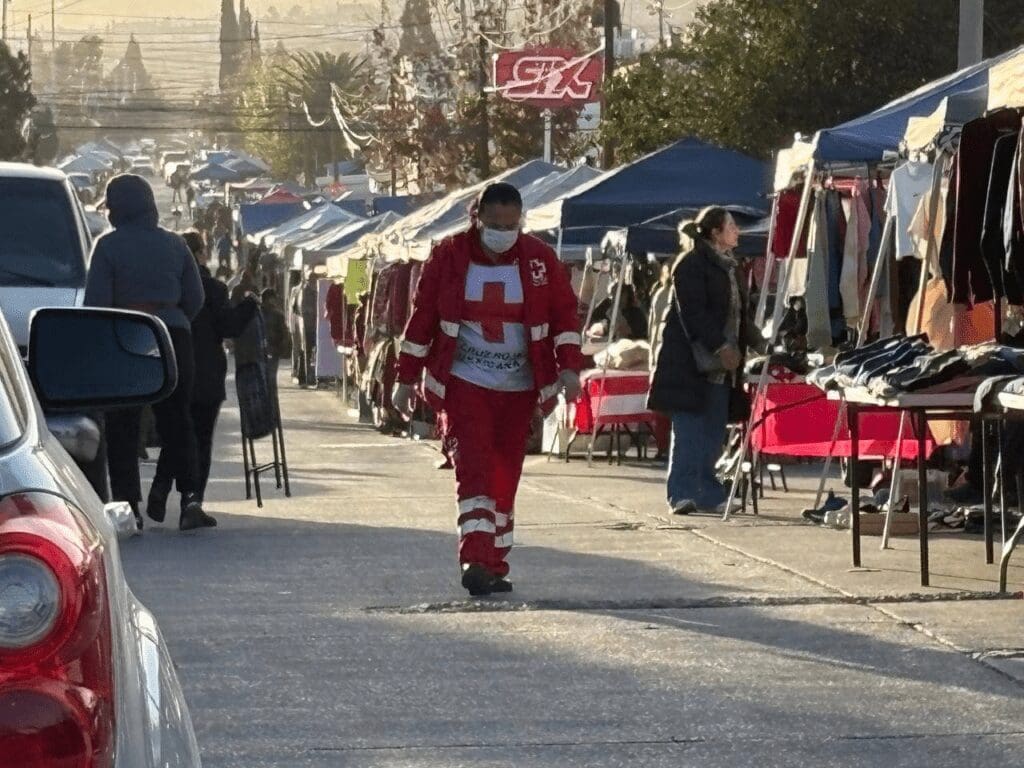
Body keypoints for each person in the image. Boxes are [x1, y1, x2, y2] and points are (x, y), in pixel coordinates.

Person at [391, 182, 583, 597]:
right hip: (465, 382)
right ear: (476, 219)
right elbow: (422, 318)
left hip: (520, 387)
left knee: (504, 474)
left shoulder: (539, 259)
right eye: (495, 224)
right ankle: (474, 559)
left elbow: (565, 315)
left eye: (511, 224)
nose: (503, 232)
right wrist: (406, 378)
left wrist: (569, 369)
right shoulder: (448, 256)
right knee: (474, 466)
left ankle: (495, 562)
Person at [85, 174, 210, 531]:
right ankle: (190, 501)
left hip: (126, 338)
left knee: (123, 426)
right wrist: (170, 319)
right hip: (174, 337)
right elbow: (195, 299)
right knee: (177, 420)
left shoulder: (106, 247)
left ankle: (129, 508)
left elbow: (96, 305)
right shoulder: (176, 244)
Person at [648, 207, 756, 516]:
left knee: (712, 433)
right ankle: (681, 493)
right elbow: (693, 312)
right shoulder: (691, 264)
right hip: (691, 364)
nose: (737, 231)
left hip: (723, 367)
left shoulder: (731, 268)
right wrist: (721, 345)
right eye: (732, 226)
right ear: (715, 232)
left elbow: (738, 316)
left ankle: (709, 493)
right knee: (689, 432)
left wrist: (760, 340)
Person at [148, 231, 258, 520]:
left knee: (176, 434)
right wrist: (250, 304)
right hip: (207, 376)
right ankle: (191, 502)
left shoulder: (164, 289)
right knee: (201, 439)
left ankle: (160, 488)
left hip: (172, 373)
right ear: (198, 254)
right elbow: (229, 327)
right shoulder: (212, 289)